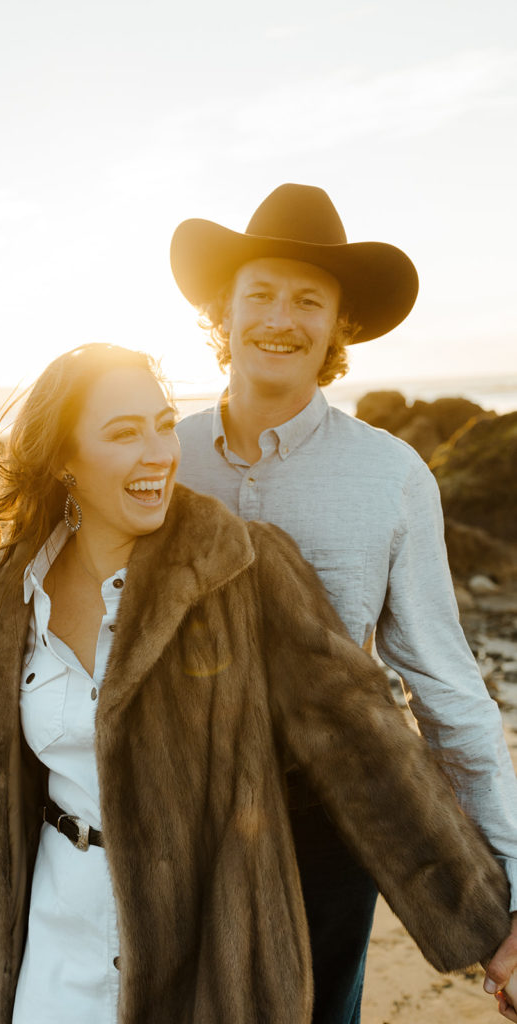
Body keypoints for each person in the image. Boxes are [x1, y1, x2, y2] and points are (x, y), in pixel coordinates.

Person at [0, 343, 513, 1024]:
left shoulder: (240, 570)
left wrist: (492, 930)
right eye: (123, 433)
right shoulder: (10, 588)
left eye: (163, 423)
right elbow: (13, 736)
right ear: (63, 458)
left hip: (203, 960)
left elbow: (372, 757)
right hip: (49, 946)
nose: (158, 450)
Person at [170, 182, 517, 1023]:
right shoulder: (161, 456)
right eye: (259, 294)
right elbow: (49, 614)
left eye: (307, 301)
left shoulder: (391, 477)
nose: (279, 319)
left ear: (338, 327)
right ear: (225, 311)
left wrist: (511, 890)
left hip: (329, 815)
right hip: (175, 804)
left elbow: (443, 684)